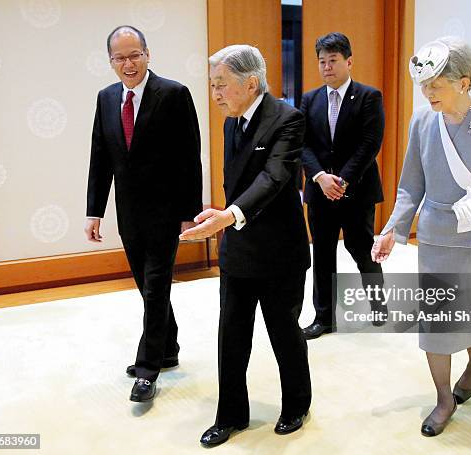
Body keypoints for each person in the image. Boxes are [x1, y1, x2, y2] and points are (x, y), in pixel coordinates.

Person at [371, 36, 471, 436]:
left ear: (464, 82)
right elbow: (410, 185)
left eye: (435, 85)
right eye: (424, 85)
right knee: (437, 321)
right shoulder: (422, 121)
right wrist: (393, 229)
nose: (427, 93)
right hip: (438, 238)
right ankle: (443, 399)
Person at [180, 45, 312, 447]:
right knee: (232, 336)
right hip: (238, 247)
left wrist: (229, 215)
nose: (216, 93)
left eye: (222, 85)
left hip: (279, 252)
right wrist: (219, 216)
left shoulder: (288, 119)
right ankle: (232, 415)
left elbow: (273, 180)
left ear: (250, 83)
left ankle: (296, 405)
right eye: (213, 85)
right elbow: (237, 183)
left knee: (283, 332)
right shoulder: (230, 123)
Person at [84, 25, 202, 403]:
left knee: (155, 287)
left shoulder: (173, 94)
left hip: (167, 213)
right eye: (120, 57)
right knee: (148, 287)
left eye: (135, 54)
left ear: (148, 55)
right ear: (110, 63)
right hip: (128, 214)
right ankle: (168, 347)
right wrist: (94, 212)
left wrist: (190, 213)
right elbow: (100, 157)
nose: (128, 63)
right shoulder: (105, 99)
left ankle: (149, 369)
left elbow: (189, 158)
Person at [300, 32, 386, 339]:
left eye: (333, 60)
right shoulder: (310, 99)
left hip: (357, 188)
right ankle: (324, 317)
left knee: (361, 248)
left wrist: (343, 179)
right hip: (320, 190)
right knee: (322, 253)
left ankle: (379, 306)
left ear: (348, 61)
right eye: (322, 61)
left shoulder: (368, 96)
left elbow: (370, 144)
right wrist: (321, 177)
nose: (326, 67)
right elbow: (302, 143)